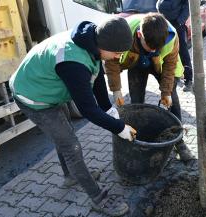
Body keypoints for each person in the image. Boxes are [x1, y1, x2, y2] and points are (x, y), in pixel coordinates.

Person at [9, 17, 136, 217]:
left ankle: (70, 176)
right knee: (71, 146)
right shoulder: (73, 62)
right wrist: (118, 127)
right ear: (103, 45)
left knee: (65, 132)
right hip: (33, 96)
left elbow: (97, 76)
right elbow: (87, 110)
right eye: (117, 53)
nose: (117, 58)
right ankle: (99, 198)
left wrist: (108, 108)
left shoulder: (91, 40)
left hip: (47, 86)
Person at [104, 13, 194, 161]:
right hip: (137, 63)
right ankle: (136, 137)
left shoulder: (171, 38)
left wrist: (166, 92)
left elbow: (170, 65)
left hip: (162, 65)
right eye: (150, 47)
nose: (153, 50)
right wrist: (116, 90)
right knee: (136, 101)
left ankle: (179, 142)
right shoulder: (123, 32)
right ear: (139, 35)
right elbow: (111, 61)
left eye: (156, 48)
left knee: (172, 100)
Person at [156, 0, 193, 92]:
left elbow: (187, 8)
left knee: (182, 53)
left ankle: (188, 80)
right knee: (166, 52)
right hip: (165, 25)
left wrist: (179, 22)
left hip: (177, 26)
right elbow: (158, 3)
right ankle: (172, 76)